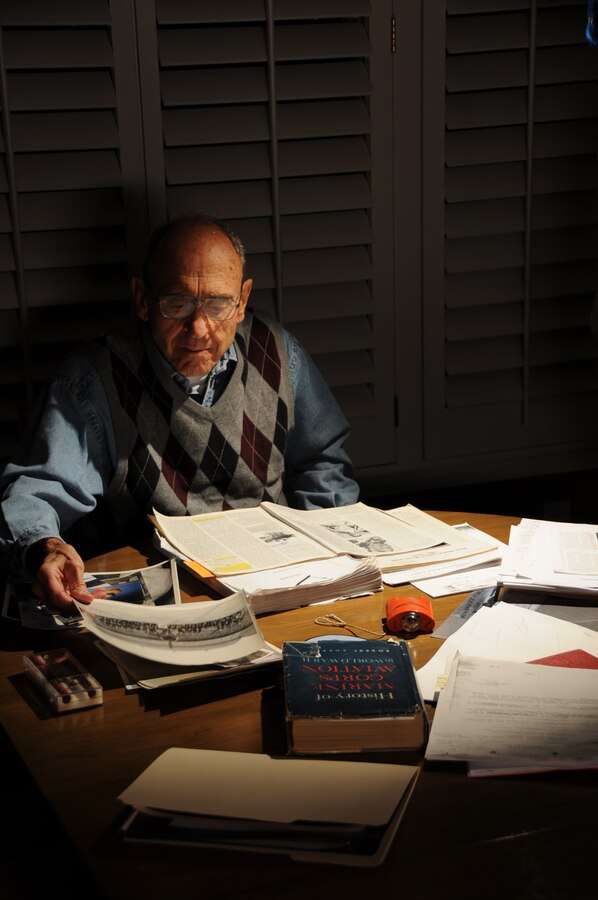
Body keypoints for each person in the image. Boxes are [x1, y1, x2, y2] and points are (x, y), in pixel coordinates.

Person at [0, 214, 359, 615]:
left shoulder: (276, 351)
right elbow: (38, 490)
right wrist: (43, 549)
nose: (199, 328)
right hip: (157, 596)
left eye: (219, 304)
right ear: (142, 299)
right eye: (177, 303)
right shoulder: (93, 381)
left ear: (241, 302)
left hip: (276, 584)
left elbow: (324, 460)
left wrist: (328, 559)